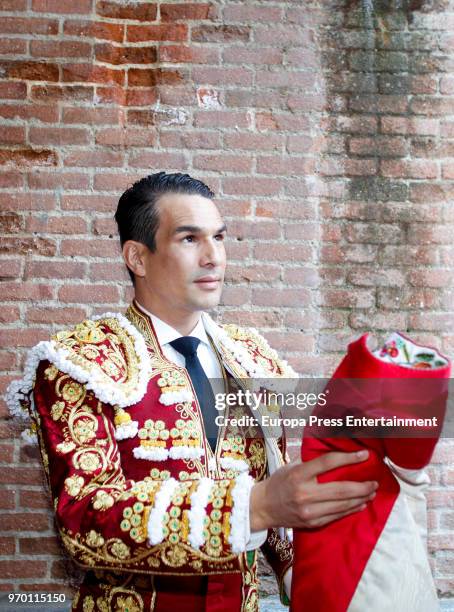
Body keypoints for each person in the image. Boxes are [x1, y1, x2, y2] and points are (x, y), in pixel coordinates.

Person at [6, 172, 377, 611]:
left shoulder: (253, 359)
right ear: (137, 258)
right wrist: (253, 507)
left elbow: (277, 495)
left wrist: (298, 574)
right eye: (189, 239)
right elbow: (84, 521)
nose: (213, 257)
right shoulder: (83, 362)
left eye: (219, 238)